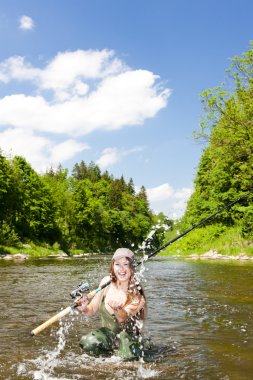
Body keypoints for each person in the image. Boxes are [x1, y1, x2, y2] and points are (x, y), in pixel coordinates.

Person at [76, 247, 151, 360]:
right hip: (108, 336)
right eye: (117, 264)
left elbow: (122, 318)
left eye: (126, 264)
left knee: (126, 358)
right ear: (112, 266)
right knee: (88, 343)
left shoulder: (137, 295)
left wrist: (118, 309)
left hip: (128, 338)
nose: (121, 269)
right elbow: (91, 310)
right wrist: (84, 308)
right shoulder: (106, 282)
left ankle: (141, 347)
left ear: (132, 267)